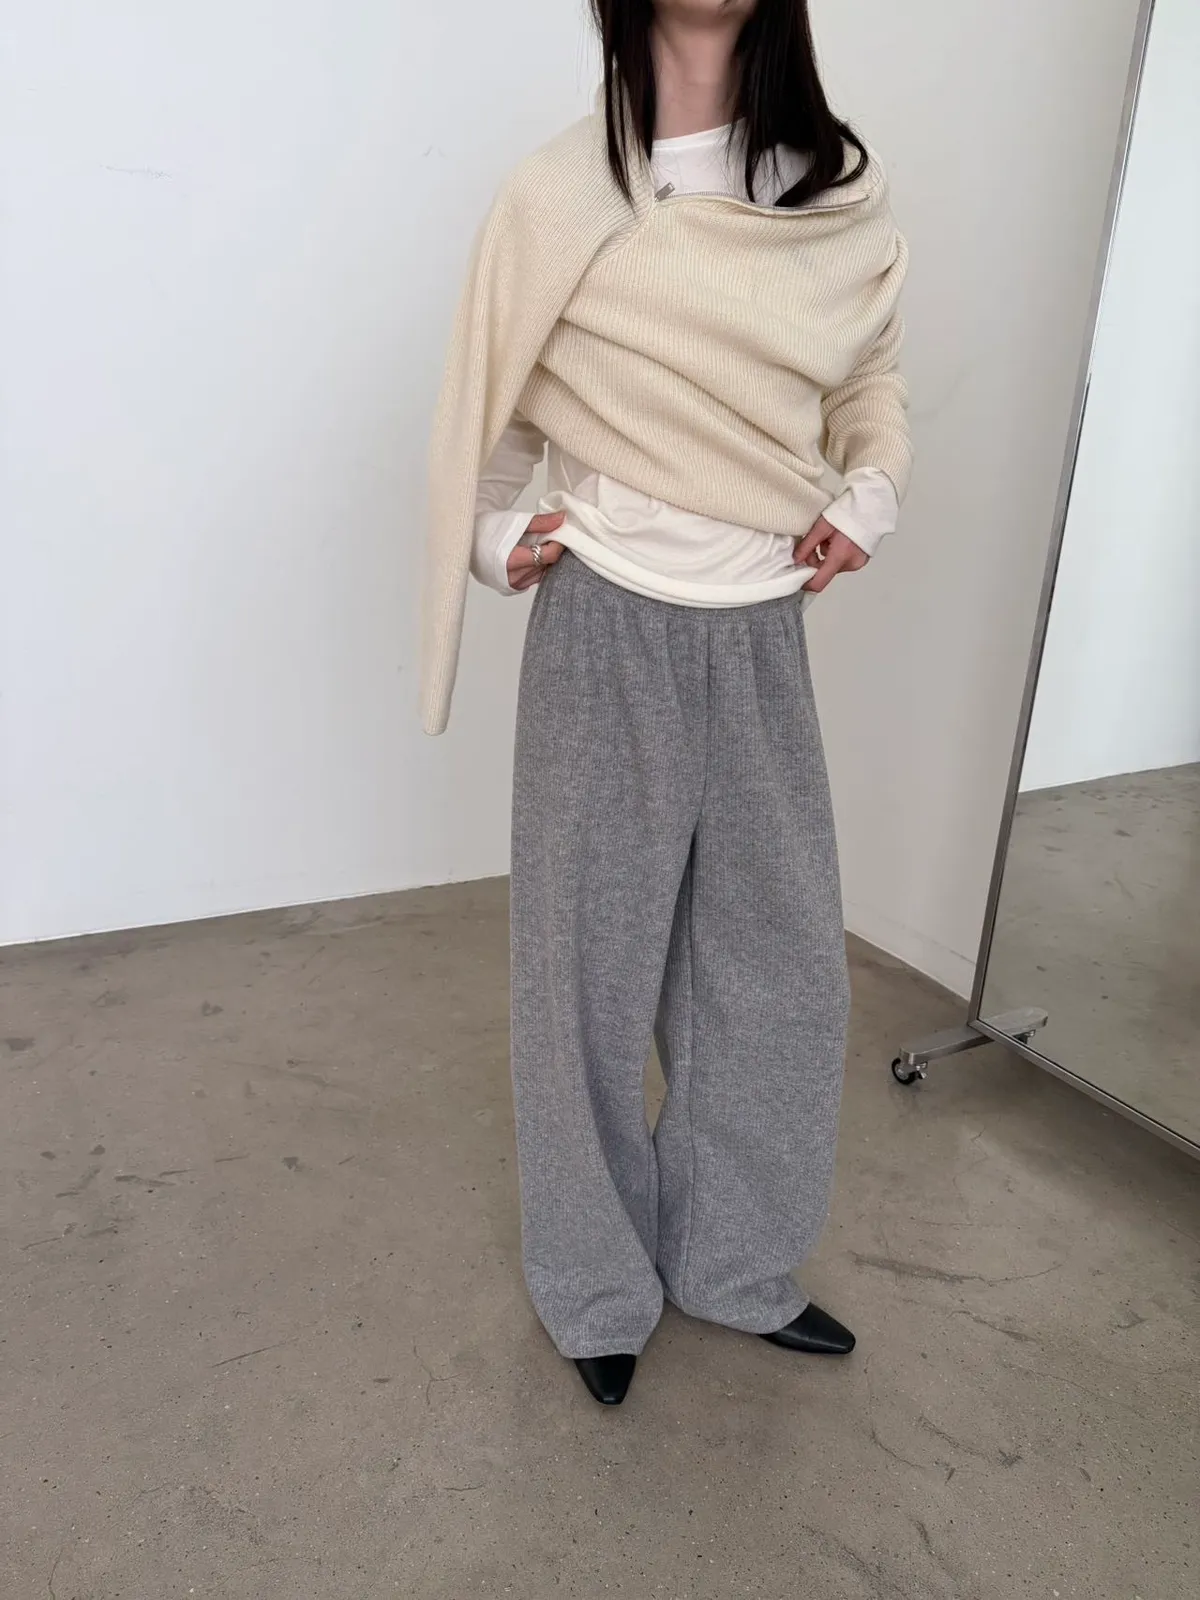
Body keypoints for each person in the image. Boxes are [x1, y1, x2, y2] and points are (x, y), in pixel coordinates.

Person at [423, 0, 911, 1406]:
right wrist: (490, 535)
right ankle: (594, 1287)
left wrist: (872, 491)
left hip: (760, 627)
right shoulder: (561, 198)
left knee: (778, 970)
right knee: (583, 972)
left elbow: (870, 380)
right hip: (607, 623)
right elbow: (497, 400)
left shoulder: (831, 187)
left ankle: (734, 1264)